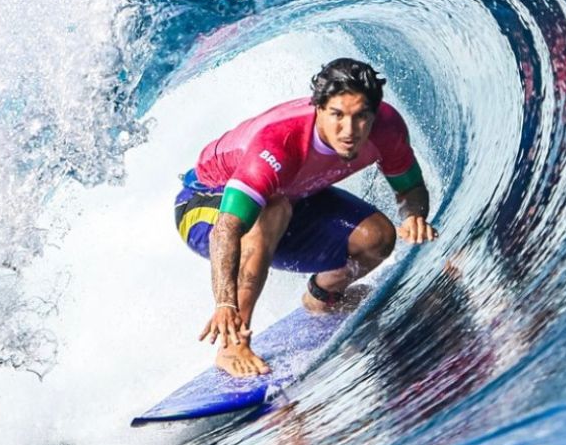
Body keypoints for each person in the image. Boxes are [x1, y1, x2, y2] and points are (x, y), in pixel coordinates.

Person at [173, 58, 438, 378]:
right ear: (318, 108)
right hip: (205, 206)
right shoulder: (278, 142)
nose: (350, 131)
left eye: (361, 117)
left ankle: (323, 297)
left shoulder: (386, 127)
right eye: (337, 116)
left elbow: (409, 188)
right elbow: (226, 230)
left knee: (377, 237)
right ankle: (231, 345)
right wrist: (224, 304)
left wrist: (413, 216)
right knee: (274, 207)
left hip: (293, 199)